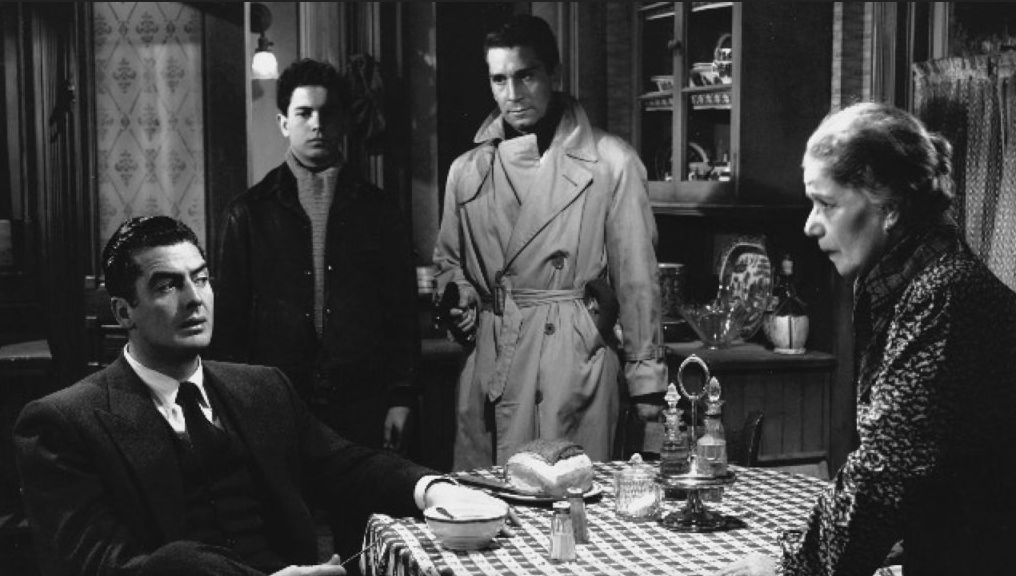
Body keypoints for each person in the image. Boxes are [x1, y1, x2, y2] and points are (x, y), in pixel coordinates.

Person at [14, 216, 506, 576]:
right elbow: (103, 567)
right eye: (167, 286)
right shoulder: (62, 423)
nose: (194, 299)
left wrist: (433, 489)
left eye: (200, 278)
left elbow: (347, 466)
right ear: (124, 312)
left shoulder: (261, 388)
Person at [716, 103, 1016, 576]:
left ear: (889, 208)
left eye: (827, 204)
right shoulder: (912, 284)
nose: (810, 224)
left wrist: (789, 569)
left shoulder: (943, 295)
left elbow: (883, 472)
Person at [433, 14, 665, 470]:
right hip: (491, 364)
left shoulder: (611, 163)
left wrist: (647, 385)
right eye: (499, 79)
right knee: (489, 501)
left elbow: (637, 281)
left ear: (554, 75)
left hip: (571, 363)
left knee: (570, 498)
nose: (513, 94)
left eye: (526, 75)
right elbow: (449, 263)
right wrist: (458, 298)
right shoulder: (466, 171)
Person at [213, 58, 418, 454]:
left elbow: (401, 313)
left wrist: (402, 397)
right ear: (283, 122)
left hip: (362, 401)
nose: (317, 124)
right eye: (304, 113)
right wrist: (233, 405)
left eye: (328, 113)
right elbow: (228, 324)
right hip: (274, 402)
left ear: (344, 122)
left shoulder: (379, 211)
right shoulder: (248, 213)